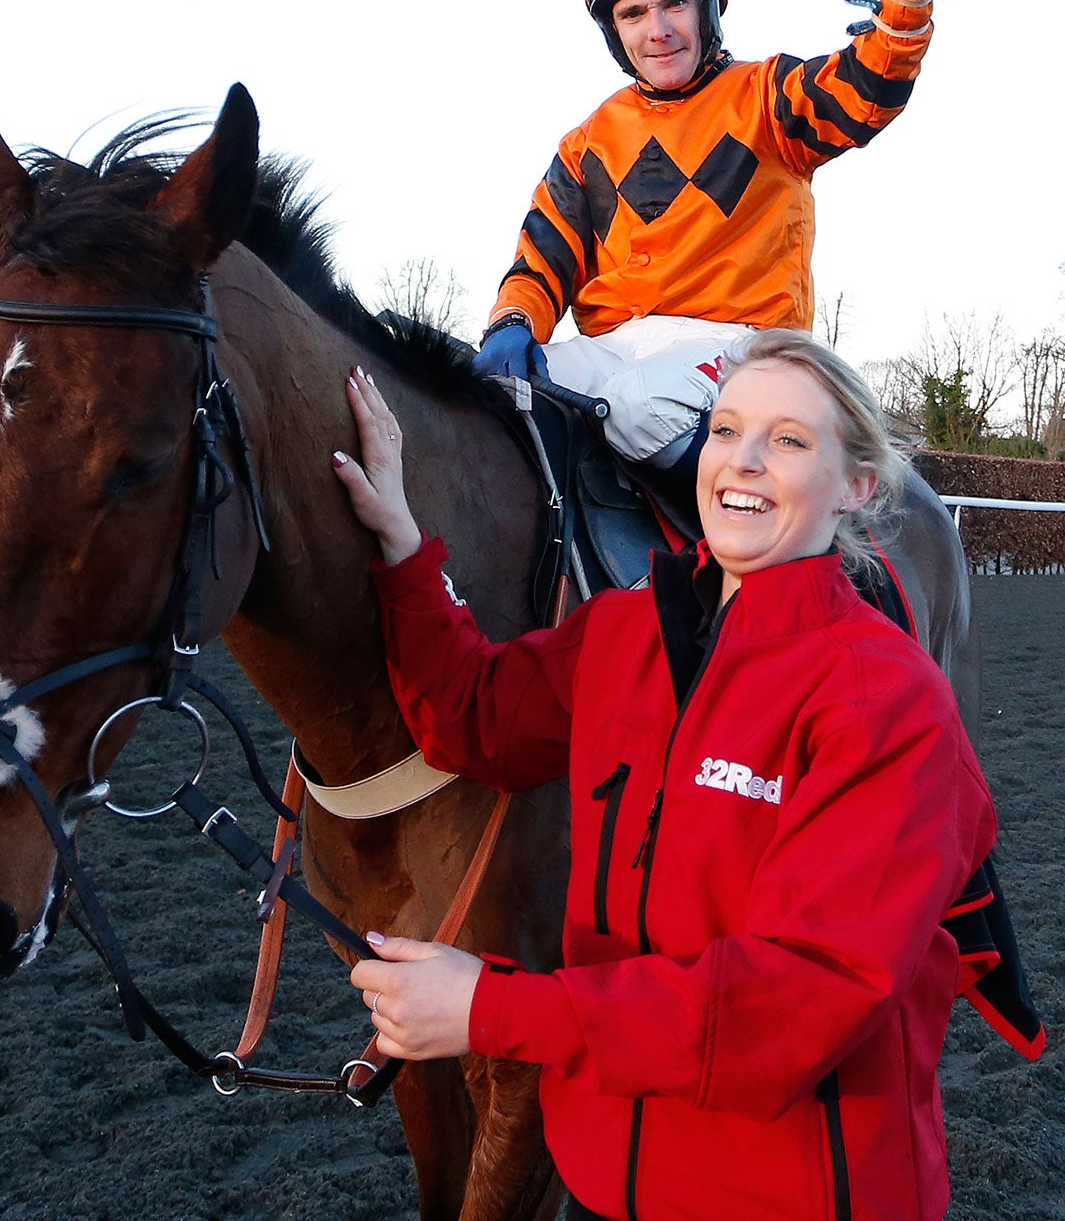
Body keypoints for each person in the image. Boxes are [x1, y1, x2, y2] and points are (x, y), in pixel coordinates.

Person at [330, 331, 996, 1221]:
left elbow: (794, 1000)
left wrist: (491, 1009)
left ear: (858, 488)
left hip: (797, 1194)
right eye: (724, 431)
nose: (743, 463)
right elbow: (472, 718)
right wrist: (405, 546)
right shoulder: (624, 630)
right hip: (609, 1183)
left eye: (789, 442)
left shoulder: (890, 700)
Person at [473, 0, 956, 480]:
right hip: (614, 349)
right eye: (634, 13)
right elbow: (542, 260)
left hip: (744, 347)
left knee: (640, 408)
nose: (659, 30)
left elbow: (867, 88)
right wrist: (511, 324)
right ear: (614, 33)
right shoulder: (587, 142)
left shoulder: (767, 95)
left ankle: (744, 549)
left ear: (707, 10)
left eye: (674, 3)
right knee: (485, 399)